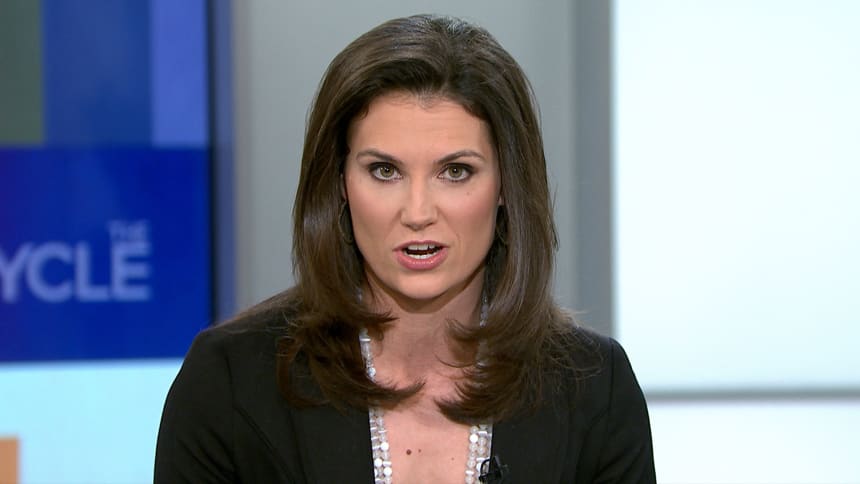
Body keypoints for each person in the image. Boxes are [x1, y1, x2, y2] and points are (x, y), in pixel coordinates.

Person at [155, 14, 655, 484]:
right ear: (340, 184)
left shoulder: (595, 389)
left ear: (506, 186)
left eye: (455, 171)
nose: (417, 212)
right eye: (384, 171)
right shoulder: (231, 382)